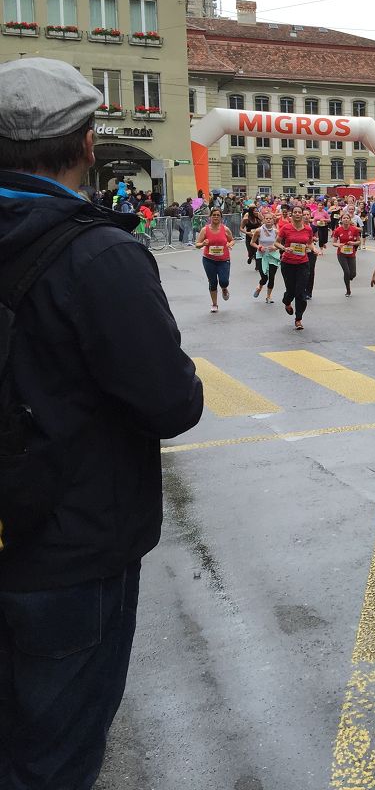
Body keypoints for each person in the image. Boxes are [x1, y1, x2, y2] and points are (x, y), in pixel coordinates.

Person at [0, 57, 203, 786]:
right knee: (53, 758)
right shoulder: (98, 254)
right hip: (68, 549)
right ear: (88, 144)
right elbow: (172, 402)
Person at [276, 204, 318, 330]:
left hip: (303, 263)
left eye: (300, 212)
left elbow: (309, 243)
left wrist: (314, 249)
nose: (298, 214)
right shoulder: (286, 228)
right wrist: (284, 248)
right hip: (287, 263)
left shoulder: (308, 229)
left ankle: (298, 319)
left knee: (300, 293)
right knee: (291, 291)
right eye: (295, 212)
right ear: (292, 214)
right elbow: (276, 243)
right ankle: (287, 302)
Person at [195, 206, 233, 313]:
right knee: (212, 282)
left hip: (224, 260)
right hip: (209, 260)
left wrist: (230, 244)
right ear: (210, 217)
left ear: (221, 217)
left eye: (218, 215)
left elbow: (232, 240)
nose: (216, 217)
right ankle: (214, 304)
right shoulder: (205, 230)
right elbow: (197, 245)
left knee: (224, 281)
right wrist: (203, 243)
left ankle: (224, 288)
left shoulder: (225, 229)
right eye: (214, 215)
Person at [252, 209, 280, 302]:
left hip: (273, 255)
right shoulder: (258, 230)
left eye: (270, 218)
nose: (268, 220)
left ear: (273, 220)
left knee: (271, 277)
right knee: (264, 277)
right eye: (266, 218)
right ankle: (259, 286)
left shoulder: (276, 232)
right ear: (263, 220)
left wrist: (275, 248)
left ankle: (268, 296)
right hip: (261, 255)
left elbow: (280, 244)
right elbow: (252, 243)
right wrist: (259, 247)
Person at [332, 211, 361, 297]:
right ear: (341, 220)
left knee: (353, 274)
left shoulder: (354, 229)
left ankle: (348, 278)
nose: (346, 219)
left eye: (347, 218)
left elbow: (359, 241)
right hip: (341, 254)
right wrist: (338, 245)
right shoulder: (338, 230)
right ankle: (348, 290)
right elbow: (334, 243)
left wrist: (353, 243)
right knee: (347, 272)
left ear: (350, 220)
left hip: (351, 253)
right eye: (344, 218)